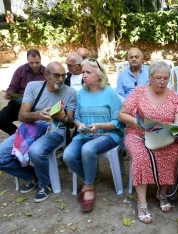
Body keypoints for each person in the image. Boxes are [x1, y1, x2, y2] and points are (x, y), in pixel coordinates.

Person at [119, 61, 178, 224]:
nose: (162, 81)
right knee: (140, 155)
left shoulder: (174, 97)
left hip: (163, 137)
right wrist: (139, 124)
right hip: (138, 134)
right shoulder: (138, 92)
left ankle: (162, 193)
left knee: (174, 152)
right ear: (150, 77)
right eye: (158, 78)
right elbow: (122, 114)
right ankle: (142, 202)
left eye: (165, 78)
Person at [0, 62, 77, 202]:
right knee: (1, 156)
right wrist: (38, 115)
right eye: (56, 75)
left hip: (55, 130)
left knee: (35, 151)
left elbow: (71, 123)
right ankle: (31, 175)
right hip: (31, 128)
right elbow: (21, 116)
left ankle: (45, 184)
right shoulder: (33, 87)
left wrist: (63, 117)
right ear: (46, 75)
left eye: (63, 75)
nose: (61, 79)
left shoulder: (70, 92)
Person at [63, 59, 123, 212]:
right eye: (83, 72)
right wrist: (80, 125)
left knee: (88, 149)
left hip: (108, 134)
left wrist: (99, 126)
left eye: (88, 72)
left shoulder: (110, 93)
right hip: (85, 134)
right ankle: (90, 177)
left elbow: (118, 122)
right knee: (67, 156)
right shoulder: (81, 93)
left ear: (99, 75)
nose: (84, 75)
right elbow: (76, 118)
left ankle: (88, 186)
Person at [0, 49, 46, 135]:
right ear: (27, 61)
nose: (34, 65)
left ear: (40, 59)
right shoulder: (20, 70)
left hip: (38, 105)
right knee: (1, 119)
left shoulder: (46, 72)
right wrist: (9, 94)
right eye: (31, 63)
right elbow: (12, 87)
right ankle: (18, 135)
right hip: (19, 103)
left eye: (37, 62)